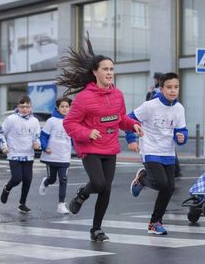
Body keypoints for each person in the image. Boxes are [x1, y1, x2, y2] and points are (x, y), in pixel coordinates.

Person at [58, 35, 143, 242]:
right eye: (105, 69)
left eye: (111, 69)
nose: (109, 73)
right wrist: (87, 133)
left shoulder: (118, 95)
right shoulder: (84, 99)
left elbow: (120, 118)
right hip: (90, 148)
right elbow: (69, 123)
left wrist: (133, 124)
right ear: (95, 72)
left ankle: (96, 229)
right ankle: (82, 194)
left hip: (110, 147)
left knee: (106, 189)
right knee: (97, 183)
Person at [128, 72, 188, 235]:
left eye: (176, 87)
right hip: (150, 149)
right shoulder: (150, 106)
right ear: (161, 89)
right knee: (161, 183)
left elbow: (181, 130)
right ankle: (142, 179)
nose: (173, 90)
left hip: (168, 151)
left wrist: (181, 137)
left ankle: (155, 222)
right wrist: (131, 139)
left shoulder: (179, 108)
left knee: (169, 187)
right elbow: (129, 119)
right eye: (169, 87)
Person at [0, 95, 41, 214]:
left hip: (28, 154)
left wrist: (37, 143)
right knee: (17, 178)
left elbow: (37, 135)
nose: (25, 109)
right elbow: (0, 132)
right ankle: (7, 188)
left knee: (27, 179)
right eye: (22, 106)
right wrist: (4, 146)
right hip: (14, 153)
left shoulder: (35, 121)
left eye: (27, 107)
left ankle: (22, 204)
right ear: (18, 107)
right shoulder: (11, 119)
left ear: (31, 107)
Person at [38, 97, 72, 214]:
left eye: (67, 106)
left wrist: (80, 151)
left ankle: (61, 204)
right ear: (57, 108)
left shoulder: (72, 122)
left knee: (63, 179)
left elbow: (74, 139)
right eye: (62, 106)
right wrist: (44, 146)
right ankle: (46, 182)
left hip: (64, 156)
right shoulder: (51, 121)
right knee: (52, 179)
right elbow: (43, 136)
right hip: (51, 156)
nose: (64, 108)